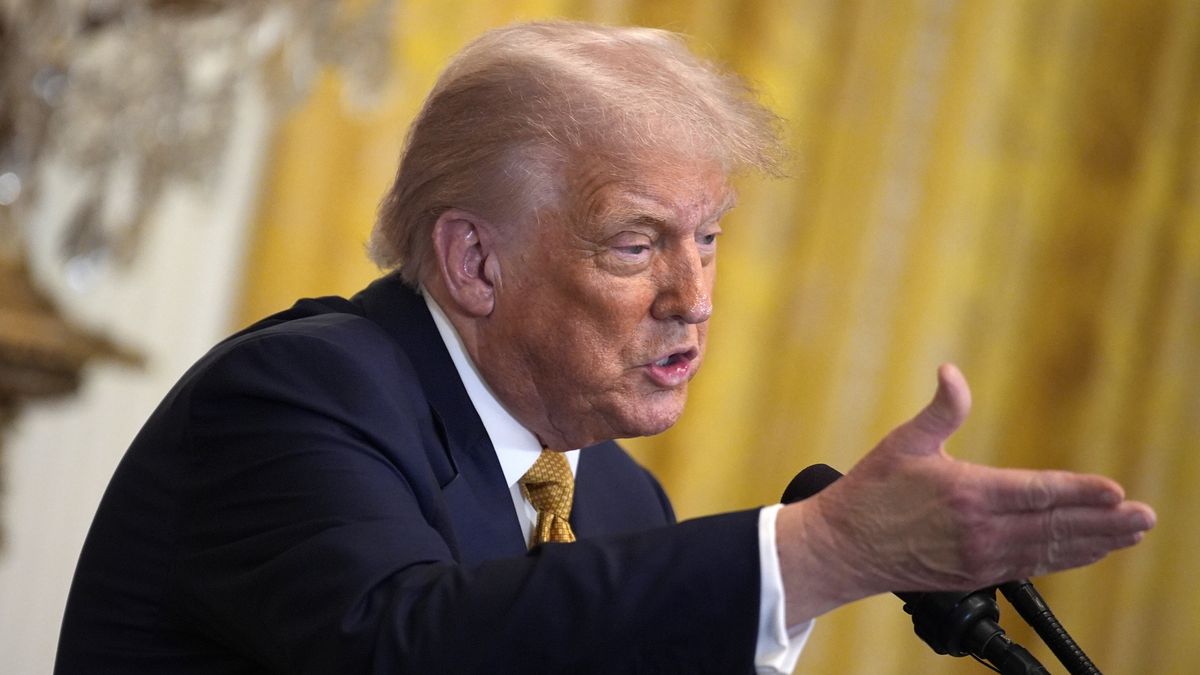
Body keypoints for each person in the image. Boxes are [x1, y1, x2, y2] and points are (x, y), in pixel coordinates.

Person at [55, 21, 1155, 674]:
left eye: (708, 238)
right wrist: (816, 553)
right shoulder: (304, 395)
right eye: (636, 244)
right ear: (474, 262)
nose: (694, 299)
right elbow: (407, 648)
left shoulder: (619, 499)